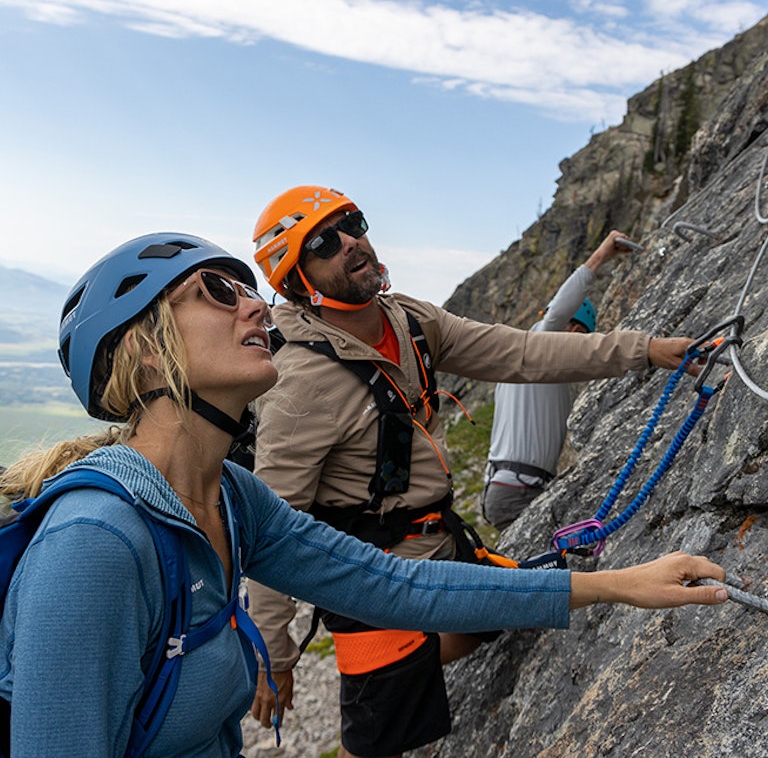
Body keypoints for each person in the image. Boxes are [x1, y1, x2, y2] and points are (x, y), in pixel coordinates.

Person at [0, 231, 729, 757]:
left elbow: (396, 586)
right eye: (215, 293)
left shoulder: (230, 499)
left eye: (247, 286)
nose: (253, 305)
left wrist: (620, 585)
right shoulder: (94, 546)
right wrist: (277, 655)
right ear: (143, 350)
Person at [248, 186, 705, 758]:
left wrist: (647, 350)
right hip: (378, 582)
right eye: (323, 242)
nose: (350, 241)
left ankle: (418, 652)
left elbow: (523, 353)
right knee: (379, 741)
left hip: (442, 541)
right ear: (297, 280)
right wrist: (274, 654)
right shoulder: (301, 383)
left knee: (491, 619)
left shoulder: (409, 320)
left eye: (352, 223)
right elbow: (272, 529)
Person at [483, 229, 635, 532]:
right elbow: (560, 310)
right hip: (518, 490)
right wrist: (602, 254)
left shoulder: (520, 366)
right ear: (574, 331)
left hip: (507, 486)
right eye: (582, 337)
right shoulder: (541, 344)